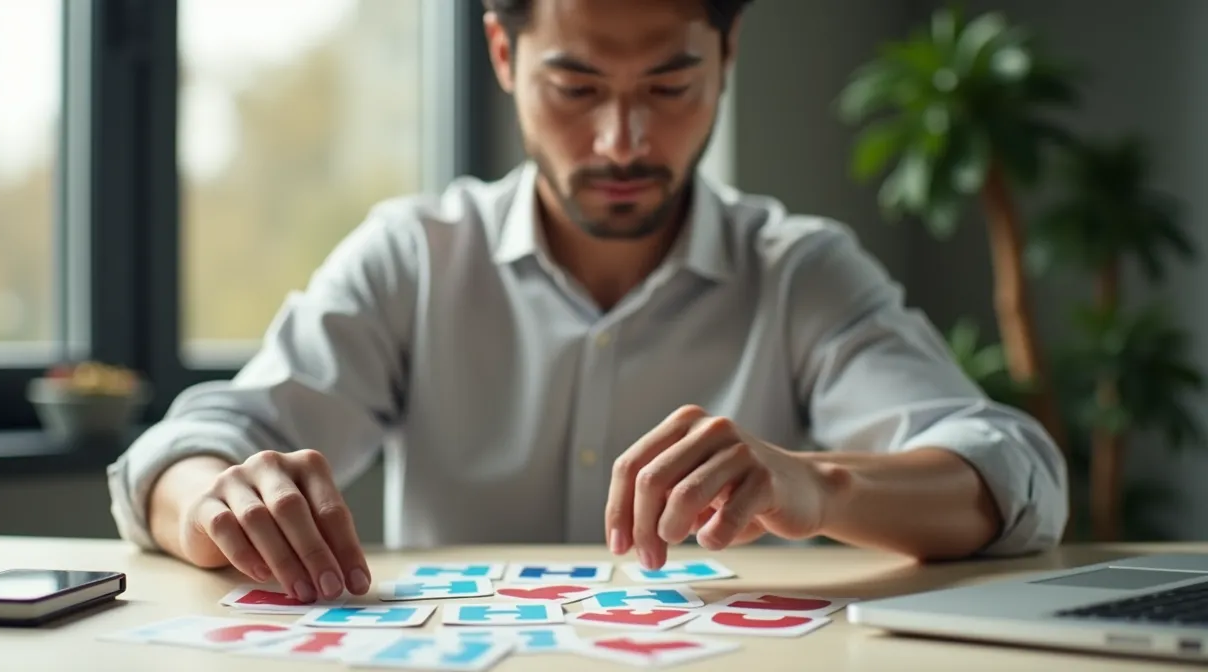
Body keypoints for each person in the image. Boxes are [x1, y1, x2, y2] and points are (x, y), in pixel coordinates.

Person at [106, 0, 1067, 605]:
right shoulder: (416, 256)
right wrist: (214, 498)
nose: (622, 140)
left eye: (670, 83)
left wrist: (813, 485)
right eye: (575, 85)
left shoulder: (801, 272)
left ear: (728, 52)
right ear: (501, 52)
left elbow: (1015, 474)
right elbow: (195, 445)